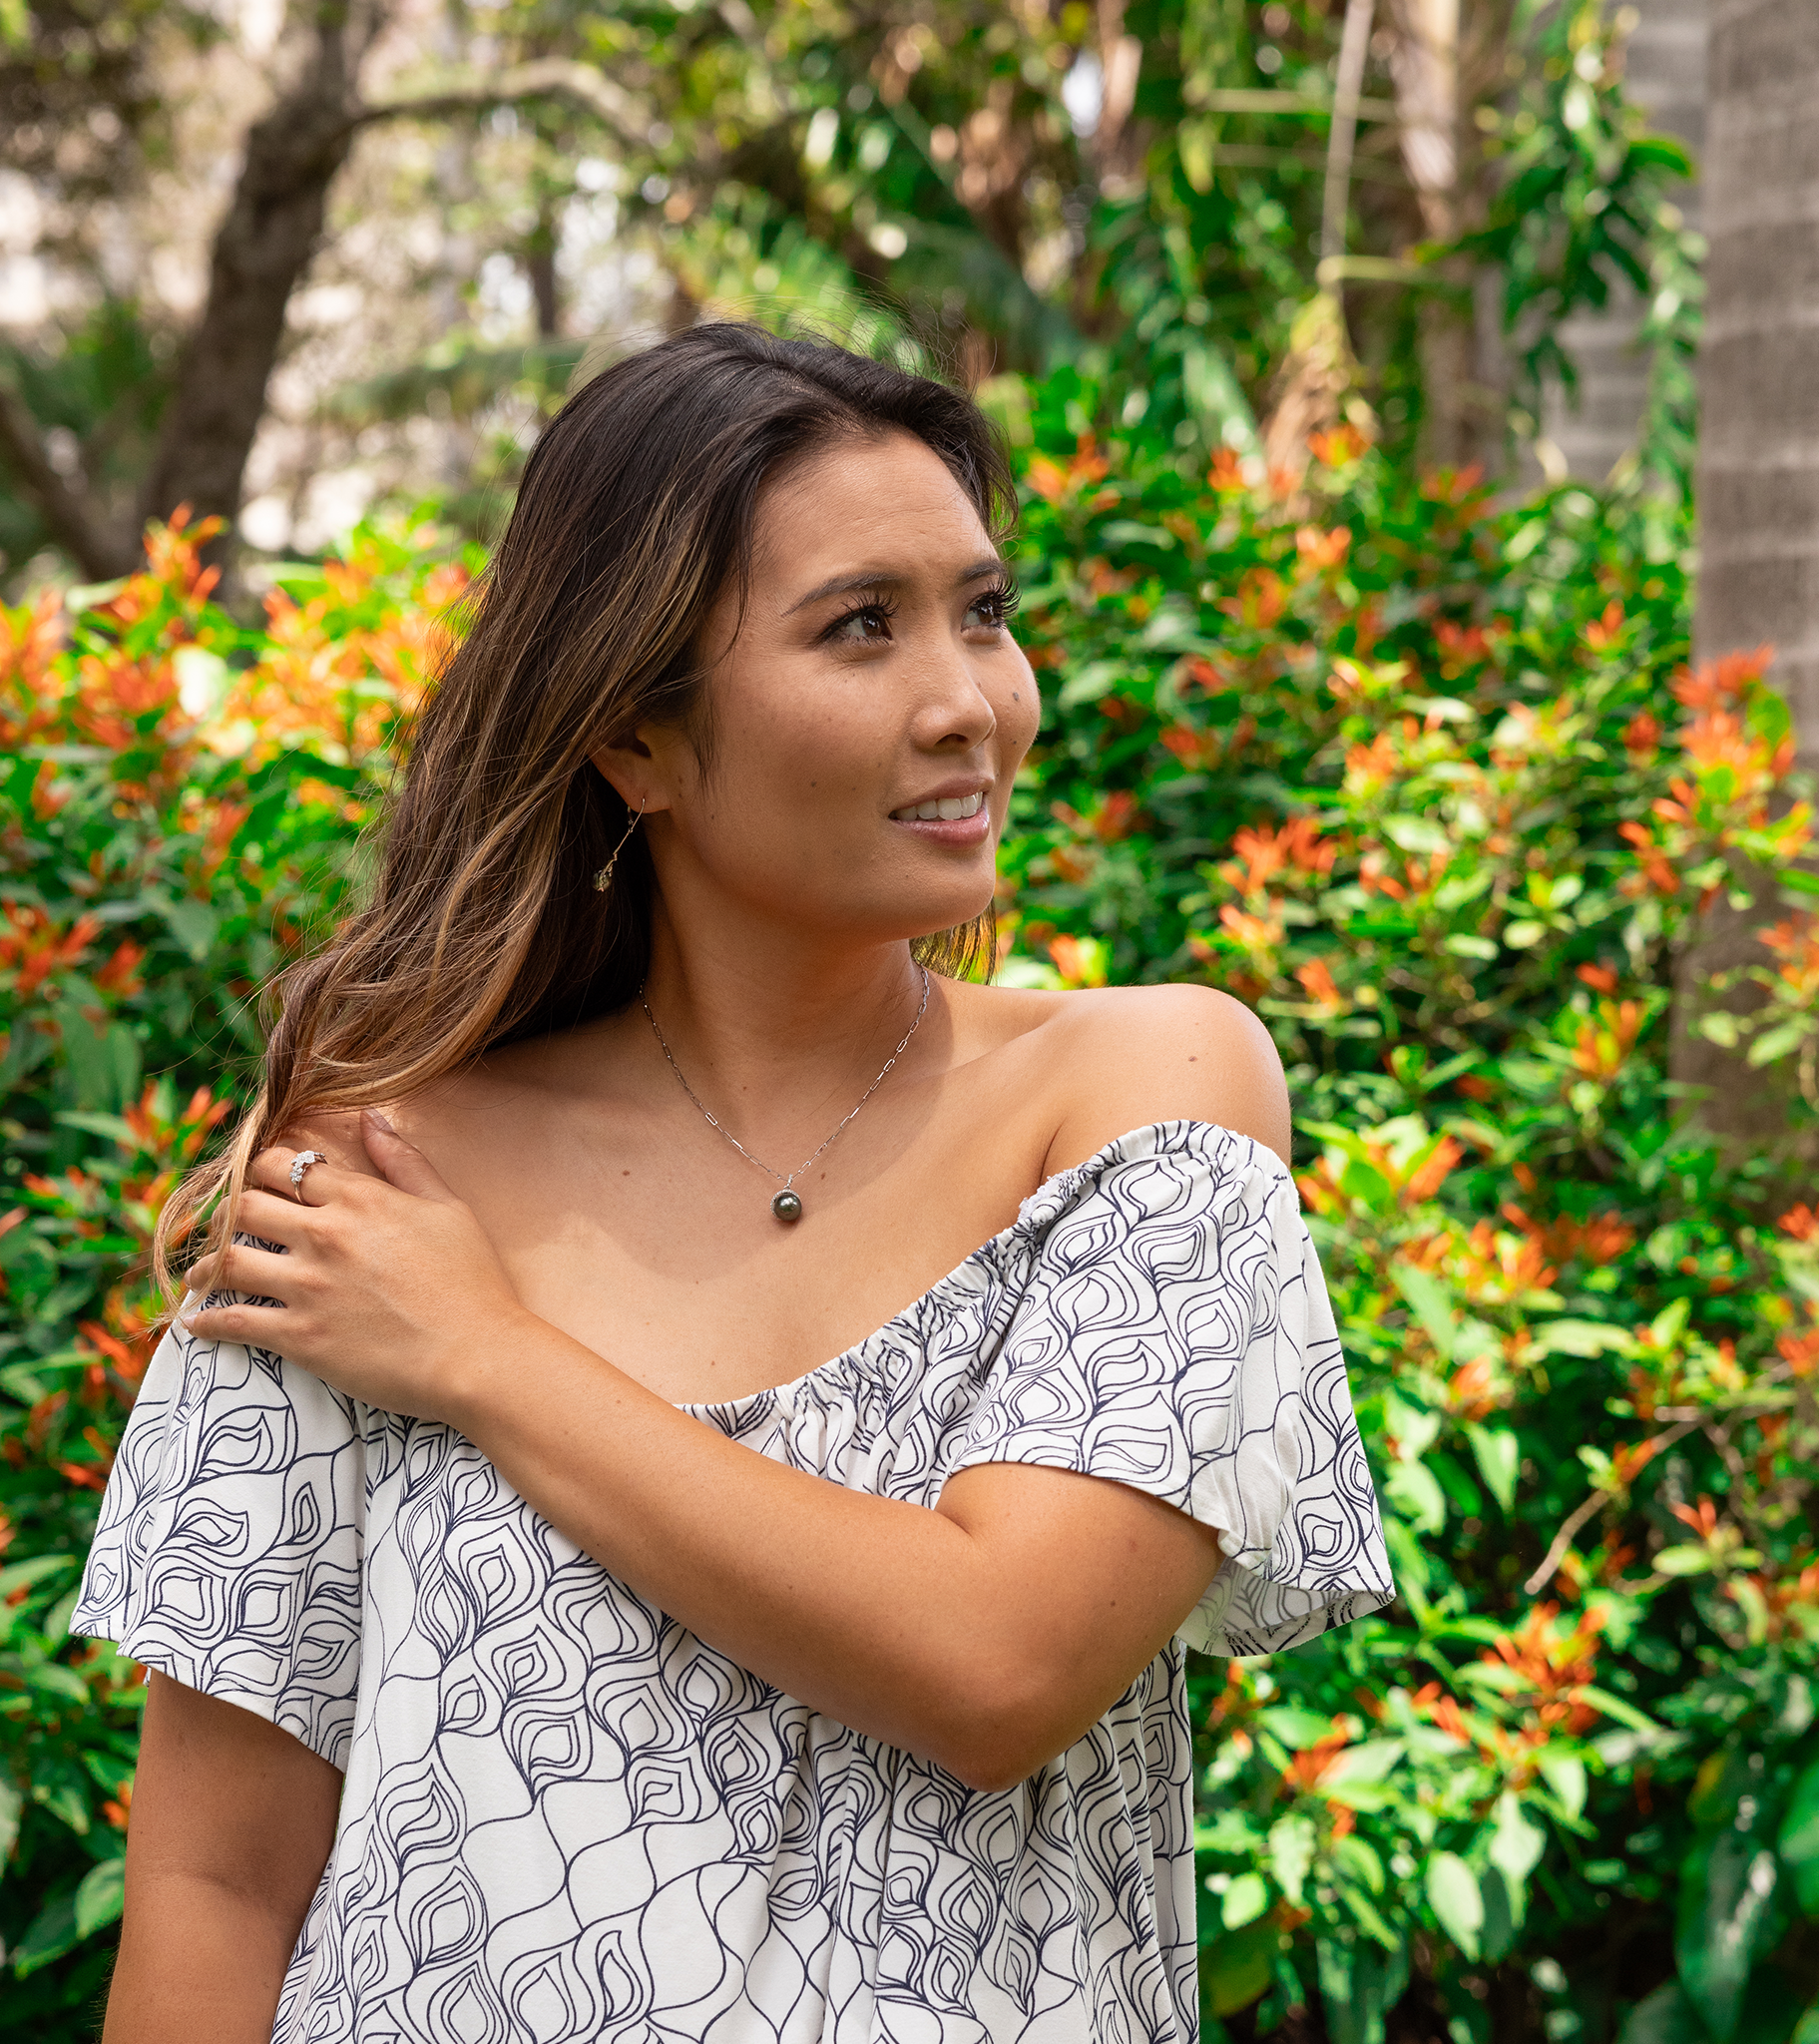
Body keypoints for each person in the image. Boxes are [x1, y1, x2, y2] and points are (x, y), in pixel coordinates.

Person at [76, 322, 1392, 2044]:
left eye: (983, 612)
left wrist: (485, 1356)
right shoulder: (376, 1180)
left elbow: (1002, 1663)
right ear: (636, 738)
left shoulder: (1147, 1096)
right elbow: (216, 1881)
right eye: (862, 626)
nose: (970, 702)